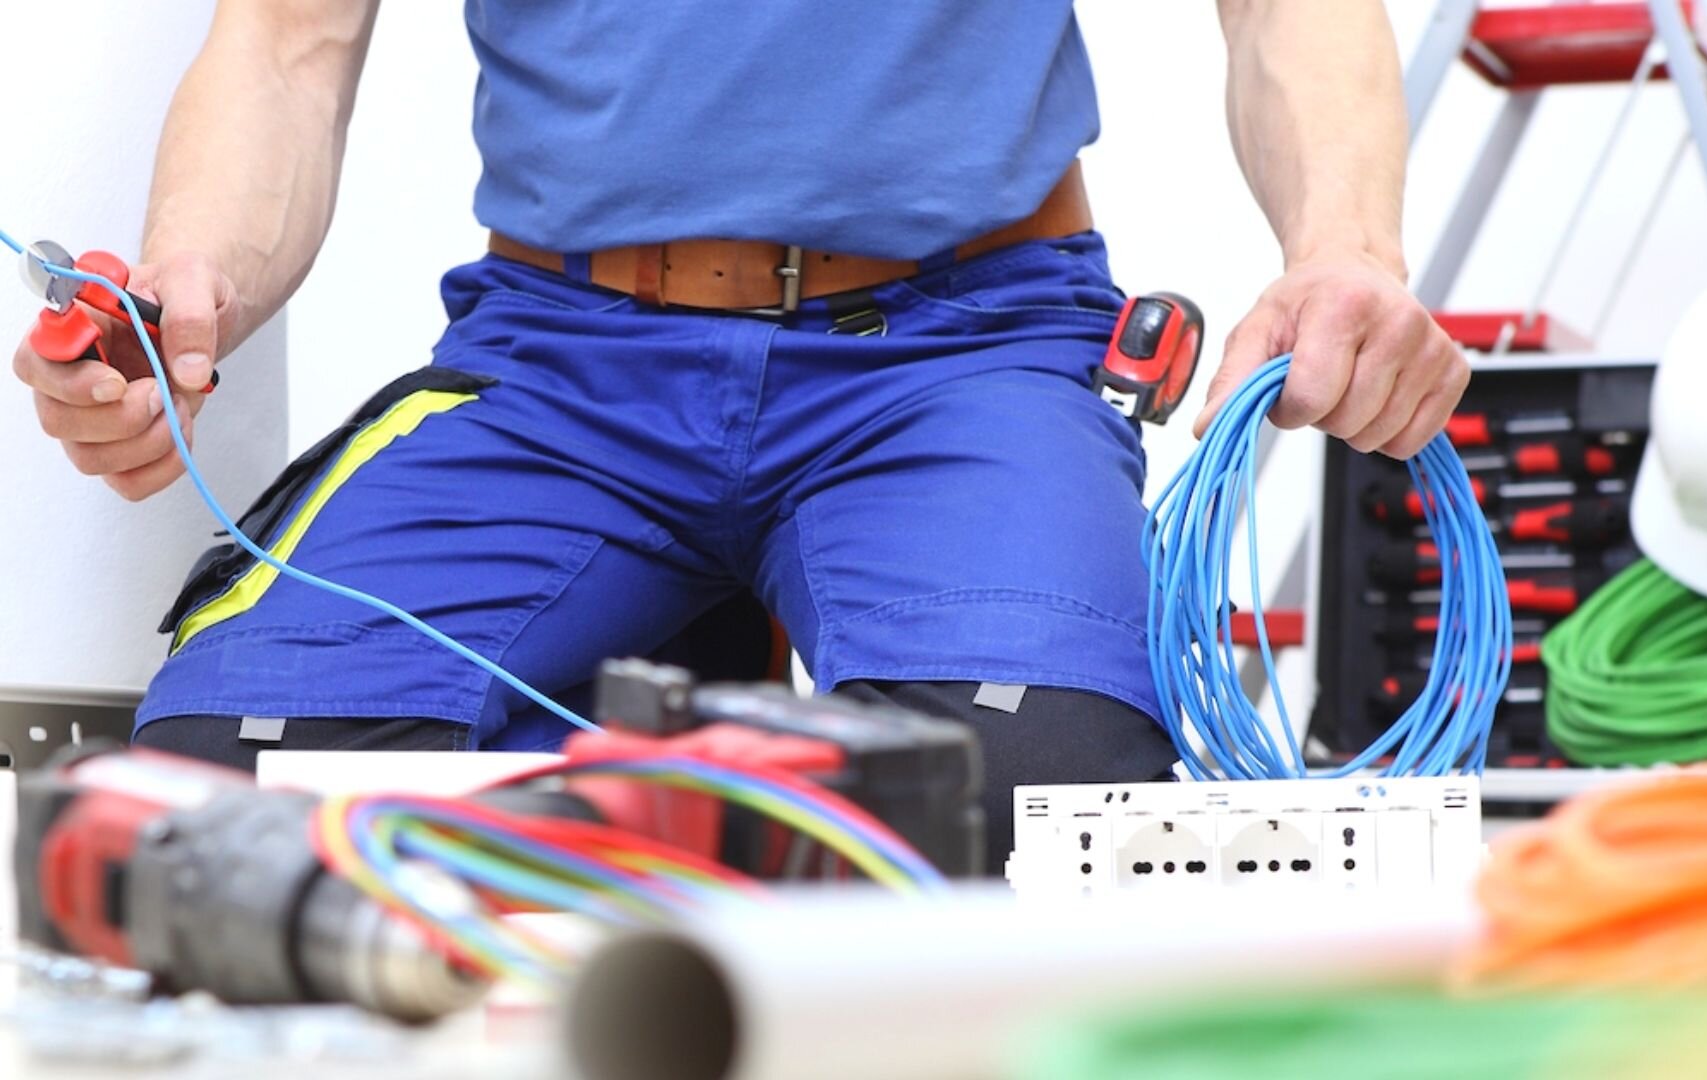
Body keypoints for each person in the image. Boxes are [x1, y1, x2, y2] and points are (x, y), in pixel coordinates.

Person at [11, 0, 1466, 871]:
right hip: (562, 366)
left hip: (955, 352)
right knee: (210, 799)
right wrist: (185, 284)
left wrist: (1349, 250)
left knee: (1034, 807)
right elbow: (284, 46)